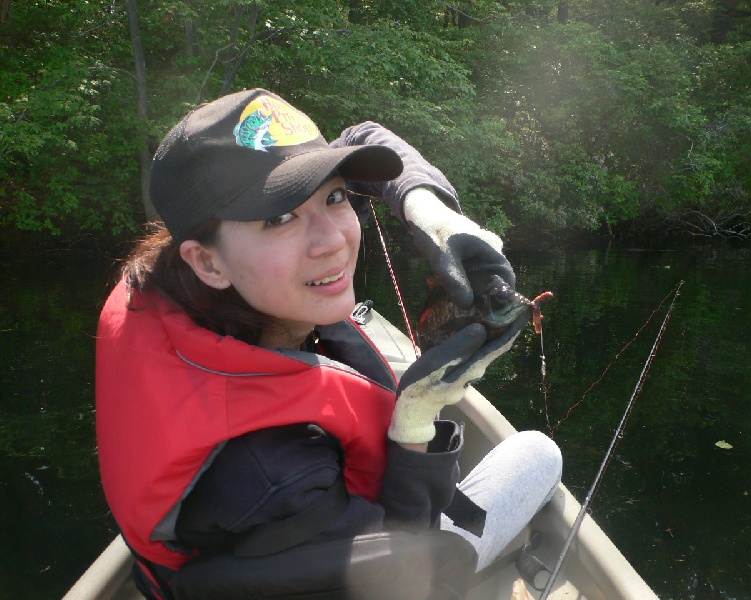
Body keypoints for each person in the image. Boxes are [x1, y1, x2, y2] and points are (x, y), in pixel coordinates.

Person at [95, 89, 562, 600]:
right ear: (207, 262)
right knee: (538, 454)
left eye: (334, 197)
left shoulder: (162, 288)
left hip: (251, 557)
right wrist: (415, 419)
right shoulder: (274, 478)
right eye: (280, 218)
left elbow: (363, 138)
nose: (334, 240)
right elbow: (403, 567)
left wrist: (430, 211)